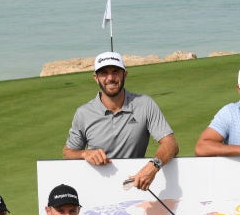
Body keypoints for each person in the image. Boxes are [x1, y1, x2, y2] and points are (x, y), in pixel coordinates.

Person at [62, 51, 179, 190]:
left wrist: (154, 166)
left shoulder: (144, 104)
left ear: (125, 74)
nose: (110, 78)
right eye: (104, 73)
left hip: (131, 185)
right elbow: (68, 153)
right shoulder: (84, 113)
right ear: (96, 78)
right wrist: (84, 153)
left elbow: (171, 144)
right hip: (95, 187)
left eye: (116, 71)